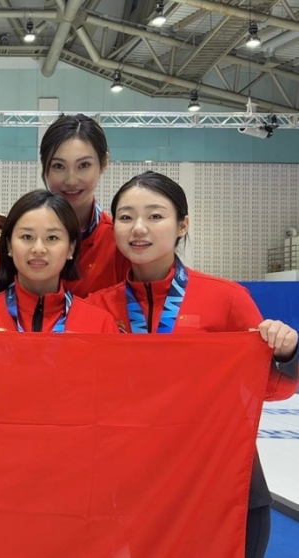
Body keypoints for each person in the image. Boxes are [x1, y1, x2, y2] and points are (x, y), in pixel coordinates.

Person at [87, 170, 299, 558]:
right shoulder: (97, 308)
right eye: (126, 217)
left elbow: (273, 389)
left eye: (155, 215)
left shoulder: (226, 299)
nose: (139, 228)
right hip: (132, 492)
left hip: (221, 488)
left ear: (182, 225)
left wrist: (285, 352)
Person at [0, 190, 119, 334]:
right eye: (27, 237)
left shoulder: (100, 325)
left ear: (71, 248)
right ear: (9, 245)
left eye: (52, 238)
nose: (38, 249)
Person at [39, 114, 130, 298]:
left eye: (84, 165)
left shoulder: (119, 241)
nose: (71, 180)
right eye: (58, 166)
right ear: (44, 165)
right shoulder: (21, 237)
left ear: (104, 163)